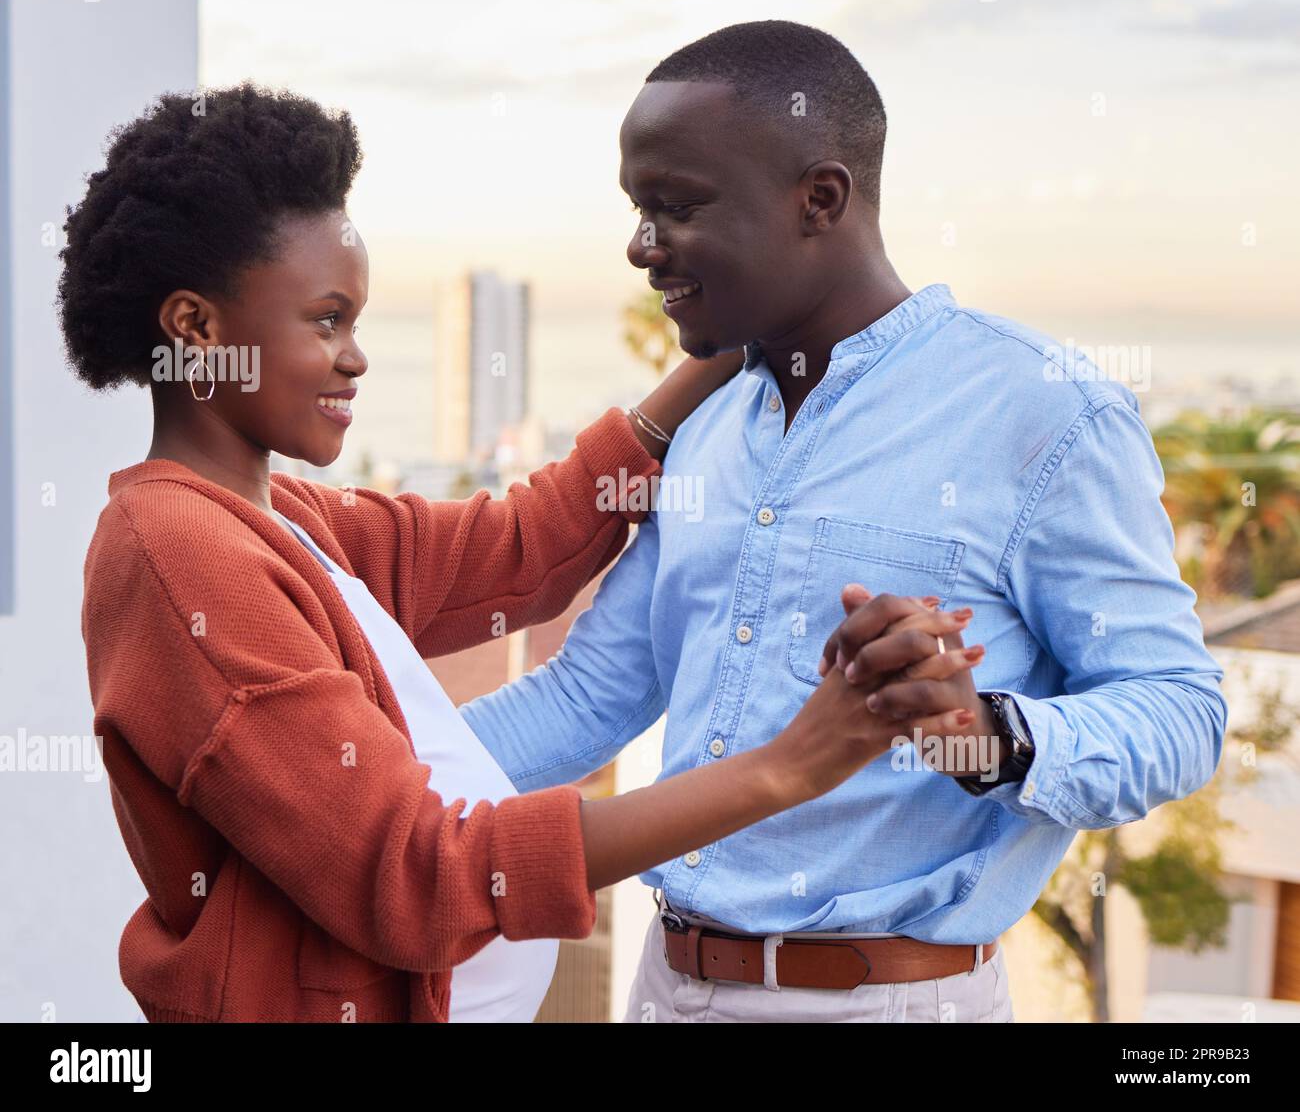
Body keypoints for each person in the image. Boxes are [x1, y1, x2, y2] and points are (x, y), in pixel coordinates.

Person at [66, 83, 976, 1023]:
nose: (356, 358)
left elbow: (519, 550)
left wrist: (727, 333)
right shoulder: (179, 556)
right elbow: (419, 877)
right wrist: (790, 766)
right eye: (326, 319)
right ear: (197, 330)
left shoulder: (285, 518)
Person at [461, 21, 1229, 1022]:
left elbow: (1181, 712)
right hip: (662, 990)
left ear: (819, 199)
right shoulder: (707, 426)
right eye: (637, 211)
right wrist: (346, 764)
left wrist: (978, 733)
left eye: (675, 208)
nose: (640, 247)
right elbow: (591, 698)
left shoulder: (1042, 410)